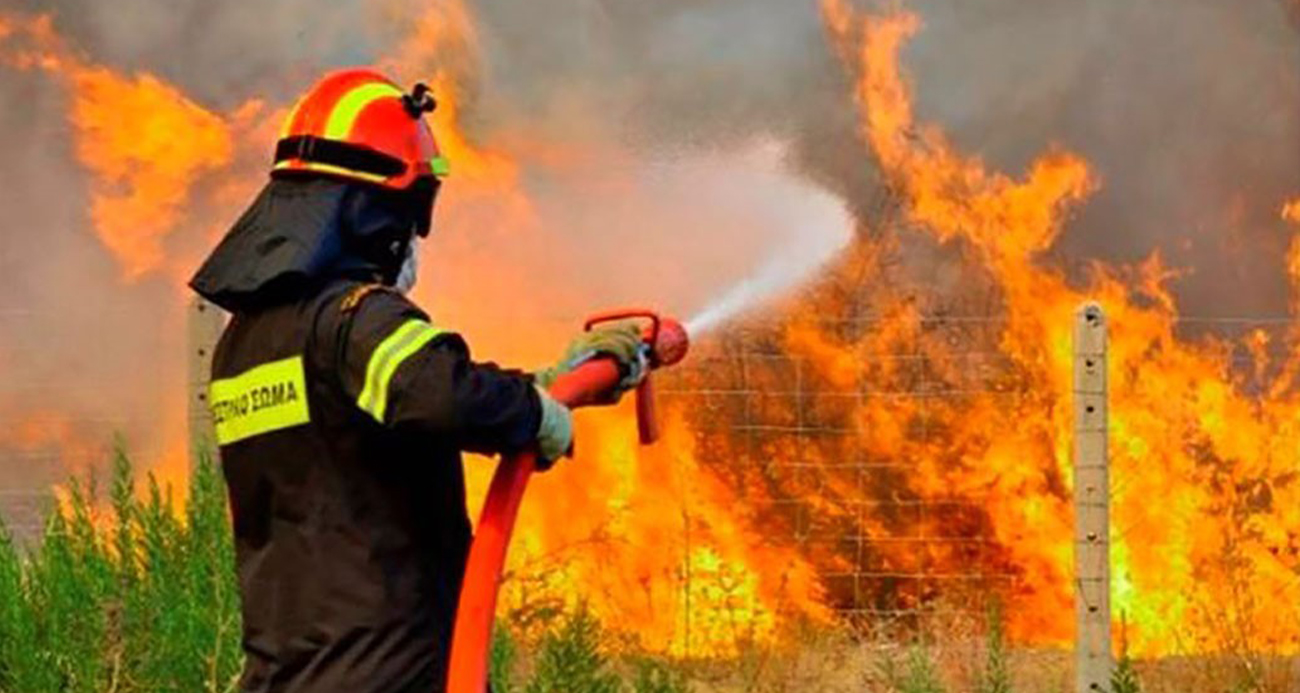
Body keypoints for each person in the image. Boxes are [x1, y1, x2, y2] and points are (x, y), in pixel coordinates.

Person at [189, 68, 643, 693]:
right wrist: (541, 416)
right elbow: (443, 394)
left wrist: (546, 385)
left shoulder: (244, 343)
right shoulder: (355, 318)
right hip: (386, 673)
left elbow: (386, 409)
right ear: (379, 213)